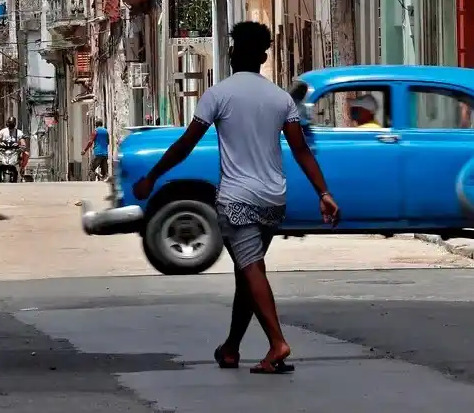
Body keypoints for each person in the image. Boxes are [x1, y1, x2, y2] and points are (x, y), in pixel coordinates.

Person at [132, 21, 339, 375]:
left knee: (251, 270)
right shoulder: (280, 98)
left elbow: (186, 144)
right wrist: (324, 192)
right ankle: (231, 348)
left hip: (237, 200)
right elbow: (302, 151)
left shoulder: (219, 94)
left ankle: (277, 343)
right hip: (274, 200)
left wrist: (152, 176)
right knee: (248, 274)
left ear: (232, 54)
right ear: (262, 56)